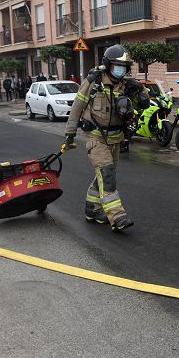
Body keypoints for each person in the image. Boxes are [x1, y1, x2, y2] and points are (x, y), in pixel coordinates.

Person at [63, 45, 148, 232]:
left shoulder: (126, 85)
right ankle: (117, 217)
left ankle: (92, 209)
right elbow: (77, 106)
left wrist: (140, 89)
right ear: (108, 64)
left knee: (104, 175)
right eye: (118, 65)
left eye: (124, 66)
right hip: (96, 138)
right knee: (107, 174)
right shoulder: (93, 81)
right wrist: (69, 134)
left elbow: (143, 103)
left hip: (116, 138)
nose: (121, 69)